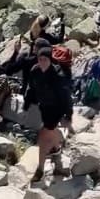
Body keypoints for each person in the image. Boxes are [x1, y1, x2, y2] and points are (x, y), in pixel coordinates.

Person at [24, 43, 73, 183]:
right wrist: (27, 102)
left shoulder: (58, 76)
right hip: (43, 107)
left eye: (45, 59)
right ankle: (57, 153)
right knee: (51, 133)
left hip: (56, 109)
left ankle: (39, 170)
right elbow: (31, 88)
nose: (42, 62)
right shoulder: (35, 71)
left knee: (43, 138)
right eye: (40, 59)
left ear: (50, 60)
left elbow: (66, 99)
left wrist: (67, 116)